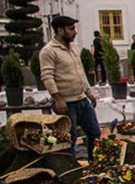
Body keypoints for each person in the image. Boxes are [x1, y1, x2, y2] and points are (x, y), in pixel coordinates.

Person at [40, 16, 100, 160]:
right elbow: (47, 76)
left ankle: (94, 163)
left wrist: (90, 93)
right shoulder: (48, 51)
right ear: (60, 30)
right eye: (71, 29)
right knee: (69, 138)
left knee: (95, 132)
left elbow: (81, 73)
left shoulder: (73, 48)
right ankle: (71, 169)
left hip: (82, 99)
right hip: (66, 102)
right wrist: (58, 99)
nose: (75, 32)